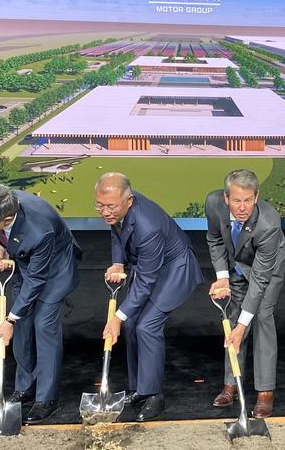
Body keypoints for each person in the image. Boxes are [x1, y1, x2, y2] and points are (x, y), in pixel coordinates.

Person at [96, 172, 203, 422]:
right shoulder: (117, 206)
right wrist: (117, 262)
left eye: (110, 206)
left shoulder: (148, 226)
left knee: (146, 326)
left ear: (129, 201)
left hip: (175, 269)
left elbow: (145, 282)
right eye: (99, 206)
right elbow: (117, 230)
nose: (104, 212)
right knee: (132, 324)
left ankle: (154, 396)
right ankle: (139, 389)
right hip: (151, 267)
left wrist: (117, 317)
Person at [0, 184, 82, 423]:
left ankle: (47, 399)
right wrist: (2, 248)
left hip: (56, 269)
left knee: (43, 325)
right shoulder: (2, 200)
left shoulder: (39, 230)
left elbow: (36, 280)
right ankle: (26, 388)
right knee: (22, 324)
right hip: (26, 262)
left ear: (8, 217)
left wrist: (9, 319)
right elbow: (4, 232)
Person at [205, 169, 285, 418]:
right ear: (226, 198)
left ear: (257, 196)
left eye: (248, 200)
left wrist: (243, 326)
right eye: (237, 200)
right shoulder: (212, 203)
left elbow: (260, 280)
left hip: (266, 270)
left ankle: (265, 391)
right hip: (235, 264)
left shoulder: (269, 224)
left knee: (261, 316)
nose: (243, 207)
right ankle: (232, 384)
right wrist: (222, 278)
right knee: (232, 317)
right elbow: (215, 239)